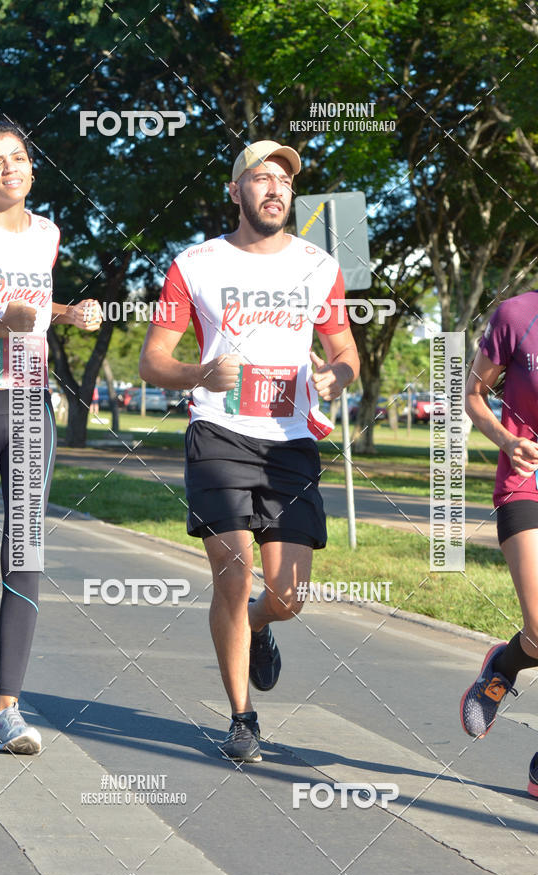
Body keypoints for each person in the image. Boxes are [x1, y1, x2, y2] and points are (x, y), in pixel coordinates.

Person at [139, 140, 359, 762]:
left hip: (289, 445)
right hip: (218, 434)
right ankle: (242, 718)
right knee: (233, 571)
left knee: (286, 597)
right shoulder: (195, 265)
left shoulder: (319, 266)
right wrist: (199, 374)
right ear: (235, 192)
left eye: (284, 181)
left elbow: (346, 353)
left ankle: (260, 626)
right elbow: (152, 359)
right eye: (260, 179)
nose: (274, 190)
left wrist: (335, 377)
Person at [0, 120, 102, 754]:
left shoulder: (48, 235)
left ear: (33, 168)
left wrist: (71, 313)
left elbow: (34, 305)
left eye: (21, 158)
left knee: (25, 556)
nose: (12, 168)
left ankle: (6, 710)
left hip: (31, 406)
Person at [460, 290, 538, 796]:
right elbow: (473, 394)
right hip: (525, 482)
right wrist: (507, 440)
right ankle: (505, 665)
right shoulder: (517, 315)